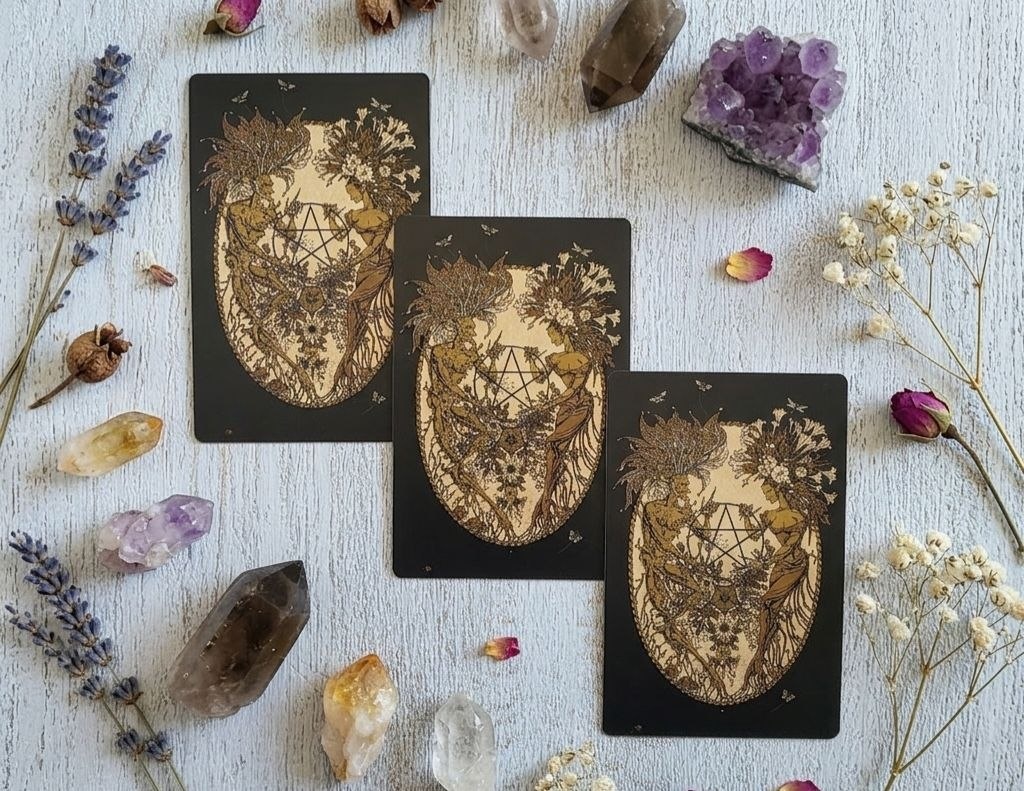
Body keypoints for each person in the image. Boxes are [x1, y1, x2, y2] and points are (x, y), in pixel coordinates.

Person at [743, 481, 807, 687]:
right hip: (779, 568)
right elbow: (754, 534)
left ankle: (760, 656)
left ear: (778, 488)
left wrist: (767, 560)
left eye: (768, 491)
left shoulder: (798, 516)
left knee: (766, 602)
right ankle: (761, 659)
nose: (766, 496)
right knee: (769, 610)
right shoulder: (769, 515)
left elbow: (790, 546)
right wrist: (747, 517)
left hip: (795, 565)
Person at [530, 325, 594, 531]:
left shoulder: (583, 359)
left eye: (552, 334)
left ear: (563, 331)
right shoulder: (554, 358)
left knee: (552, 442)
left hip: (580, 406)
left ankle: (546, 502)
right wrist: (531, 360)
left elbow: (573, 390)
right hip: (565, 408)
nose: (551, 339)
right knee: (553, 451)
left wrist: (549, 404)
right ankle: (546, 502)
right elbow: (539, 378)